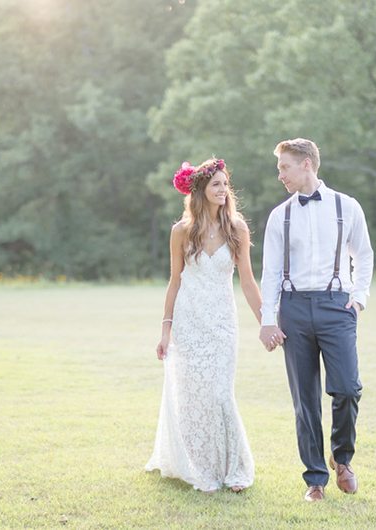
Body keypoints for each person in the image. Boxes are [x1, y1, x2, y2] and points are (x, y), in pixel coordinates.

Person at [259, 138, 374, 502]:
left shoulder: (347, 206)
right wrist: (267, 319)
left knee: (346, 388)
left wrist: (358, 300)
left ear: (306, 163)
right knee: (304, 399)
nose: (280, 176)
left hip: (336, 308)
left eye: (284, 167)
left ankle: (342, 459)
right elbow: (271, 271)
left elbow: (365, 256)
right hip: (293, 309)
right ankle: (315, 480)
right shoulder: (280, 215)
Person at [145, 157, 261, 493]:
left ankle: (234, 468)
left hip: (222, 324)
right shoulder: (181, 232)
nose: (223, 190)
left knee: (220, 394)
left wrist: (266, 322)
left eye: (226, 184)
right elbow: (174, 282)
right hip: (188, 323)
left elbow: (249, 282)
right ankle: (201, 468)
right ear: (200, 190)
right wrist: (165, 331)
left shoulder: (236, 228)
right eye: (216, 184)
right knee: (193, 397)